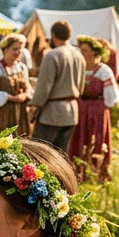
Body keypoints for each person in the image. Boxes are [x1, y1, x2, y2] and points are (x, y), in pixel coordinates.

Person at [69, 36, 119, 183]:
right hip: (79, 110)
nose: (82, 53)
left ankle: (95, 174)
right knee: (78, 139)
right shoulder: (78, 68)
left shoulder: (104, 71)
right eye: (81, 50)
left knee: (96, 140)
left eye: (85, 50)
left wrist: (99, 104)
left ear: (94, 52)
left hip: (97, 112)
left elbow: (112, 98)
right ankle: (77, 173)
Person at [28, 20, 85, 152]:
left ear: (53, 35)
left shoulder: (52, 55)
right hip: (71, 112)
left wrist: (33, 107)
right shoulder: (79, 55)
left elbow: (44, 87)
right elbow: (81, 87)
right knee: (61, 155)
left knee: (40, 153)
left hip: (52, 113)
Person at [0, 34, 34, 137]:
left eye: (20, 49)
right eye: (14, 49)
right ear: (5, 49)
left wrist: (25, 95)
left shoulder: (22, 67)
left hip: (19, 115)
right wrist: (11, 97)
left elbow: (28, 87)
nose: (18, 52)